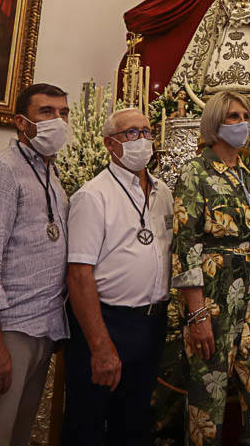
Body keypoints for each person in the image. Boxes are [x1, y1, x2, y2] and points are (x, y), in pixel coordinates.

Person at [0, 83, 72, 446]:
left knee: (18, 434)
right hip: (6, 328)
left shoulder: (52, 175)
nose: (59, 120)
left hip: (44, 324)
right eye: (47, 112)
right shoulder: (1, 169)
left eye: (63, 113)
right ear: (22, 123)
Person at [173, 91, 250, 445]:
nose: (242, 123)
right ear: (214, 123)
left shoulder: (248, 174)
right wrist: (198, 313)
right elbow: (185, 244)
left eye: (246, 116)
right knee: (208, 398)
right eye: (233, 117)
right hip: (215, 299)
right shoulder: (195, 172)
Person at [63, 106, 171, 445]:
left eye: (148, 132)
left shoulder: (163, 192)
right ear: (111, 144)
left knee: (135, 424)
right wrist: (100, 345)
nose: (143, 140)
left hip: (151, 323)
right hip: (108, 323)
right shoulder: (93, 196)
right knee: (90, 424)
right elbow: (79, 276)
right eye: (132, 133)